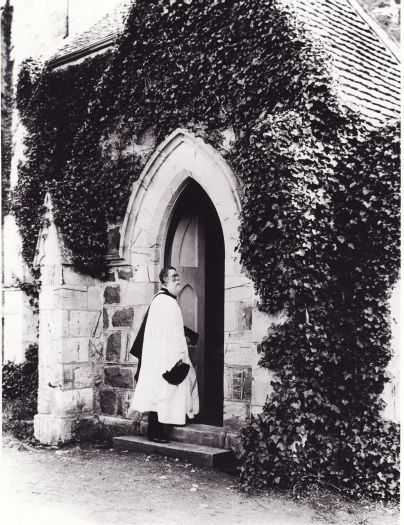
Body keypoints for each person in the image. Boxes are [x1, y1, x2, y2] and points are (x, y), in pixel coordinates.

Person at [128, 266, 199, 443]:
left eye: (177, 276)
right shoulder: (165, 302)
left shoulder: (161, 300)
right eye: (173, 277)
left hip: (159, 356)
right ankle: (155, 432)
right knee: (161, 393)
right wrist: (178, 355)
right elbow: (170, 333)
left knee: (161, 392)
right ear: (164, 280)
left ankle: (170, 423)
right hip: (164, 356)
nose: (178, 280)